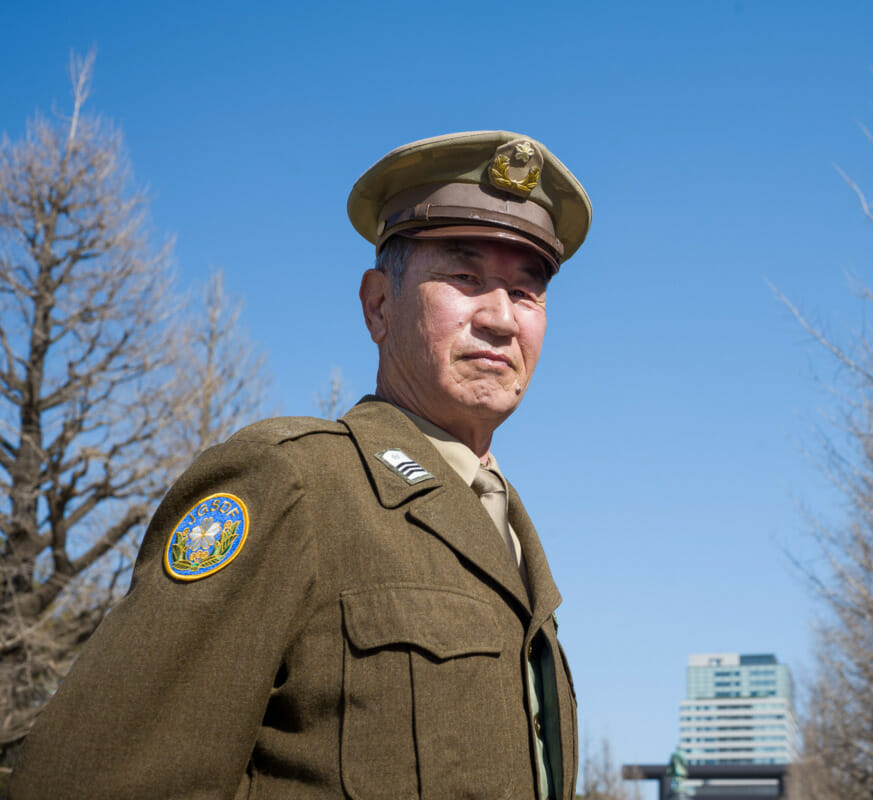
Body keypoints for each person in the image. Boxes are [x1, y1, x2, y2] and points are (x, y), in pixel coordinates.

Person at [11, 130, 592, 800]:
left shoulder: (513, 537)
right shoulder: (293, 484)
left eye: (526, 293)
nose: (500, 318)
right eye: (465, 278)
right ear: (378, 304)